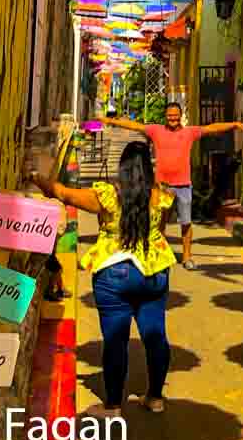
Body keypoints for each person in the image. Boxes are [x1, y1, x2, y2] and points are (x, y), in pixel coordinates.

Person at [28, 142, 175, 415]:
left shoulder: (107, 194)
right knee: (156, 337)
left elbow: (62, 193)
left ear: (123, 167)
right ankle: (155, 398)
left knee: (115, 341)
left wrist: (37, 178)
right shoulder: (162, 196)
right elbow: (160, 232)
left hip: (114, 272)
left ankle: (114, 405)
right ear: (148, 166)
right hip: (155, 271)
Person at [104, 103, 243, 270]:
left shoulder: (189, 132)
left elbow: (212, 128)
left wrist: (234, 125)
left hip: (183, 186)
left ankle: (187, 257)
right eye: (169, 115)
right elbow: (133, 125)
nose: (172, 118)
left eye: (175, 115)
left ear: (180, 116)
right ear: (165, 116)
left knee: (186, 223)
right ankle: (158, 254)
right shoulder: (156, 131)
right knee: (159, 223)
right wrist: (110, 121)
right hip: (162, 187)